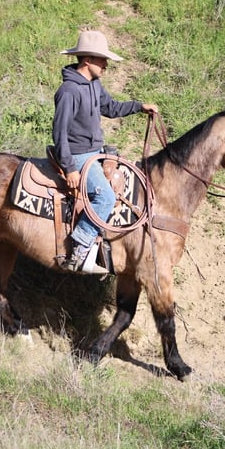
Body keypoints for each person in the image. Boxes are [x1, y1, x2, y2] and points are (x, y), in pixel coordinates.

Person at [52, 30, 158, 274]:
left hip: (95, 151)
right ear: (87, 60)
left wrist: (139, 107)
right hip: (78, 155)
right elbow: (59, 133)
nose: (106, 65)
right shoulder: (69, 91)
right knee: (106, 197)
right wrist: (70, 168)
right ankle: (79, 247)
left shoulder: (93, 84)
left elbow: (110, 107)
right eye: (102, 60)